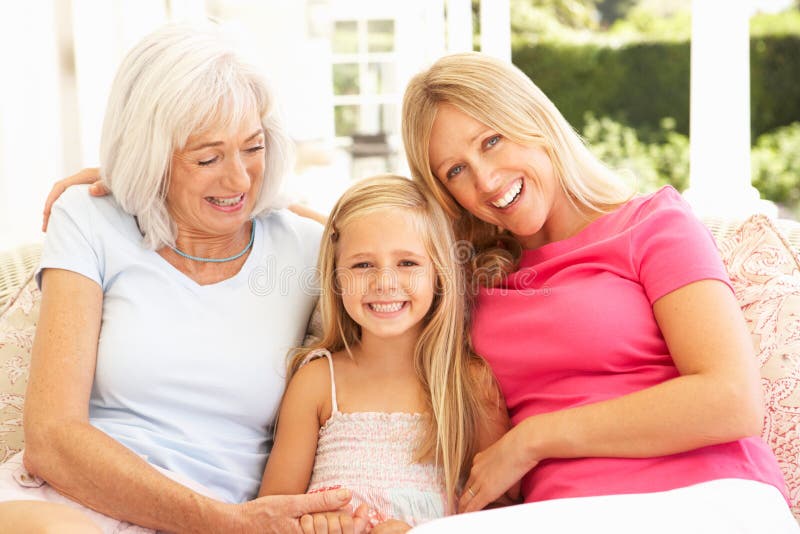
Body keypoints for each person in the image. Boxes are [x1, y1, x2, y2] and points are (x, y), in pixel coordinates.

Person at [400, 52, 799, 532]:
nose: (485, 180)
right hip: (559, 516)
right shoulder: (472, 281)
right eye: (455, 171)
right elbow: (366, 250)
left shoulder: (653, 224)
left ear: (536, 121)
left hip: (706, 497)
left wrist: (534, 439)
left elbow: (732, 400)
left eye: (492, 140)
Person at [0, 24, 370, 533]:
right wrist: (226, 524)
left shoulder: (304, 247)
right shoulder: (89, 219)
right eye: (207, 157)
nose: (238, 179)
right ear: (149, 154)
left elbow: (407, 254)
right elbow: (51, 438)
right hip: (69, 506)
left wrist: (286, 206)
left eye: (253, 147)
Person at [257, 175, 511, 533]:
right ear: (336, 276)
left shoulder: (467, 383)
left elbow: (504, 514)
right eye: (362, 265)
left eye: (407, 263)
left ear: (438, 273)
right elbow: (270, 517)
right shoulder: (316, 381)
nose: (385, 282)